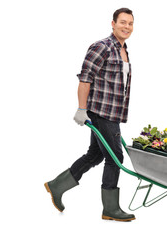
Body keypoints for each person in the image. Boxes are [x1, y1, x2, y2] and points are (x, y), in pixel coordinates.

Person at [44, 8, 135, 222]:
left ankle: (56, 186)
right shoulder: (101, 47)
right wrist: (81, 108)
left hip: (112, 113)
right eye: (123, 22)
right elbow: (85, 78)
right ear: (112, 23)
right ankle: (110, 209)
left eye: (130, 23)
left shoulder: (123, 49)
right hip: (101, 112)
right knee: (115, 157)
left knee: (96, 154)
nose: (127, 27)